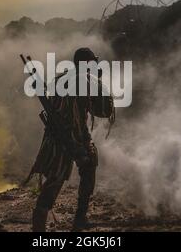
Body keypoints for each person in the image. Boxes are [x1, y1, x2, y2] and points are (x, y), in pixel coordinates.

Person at [28, 47, 115, 232]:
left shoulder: (61, 79)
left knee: (57, 180)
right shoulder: (86, 81)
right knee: (64, 177)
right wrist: (99, 81)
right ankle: (76, 221)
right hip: (66, 139)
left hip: (58, 138)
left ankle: (55, 225)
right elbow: (104, 110)